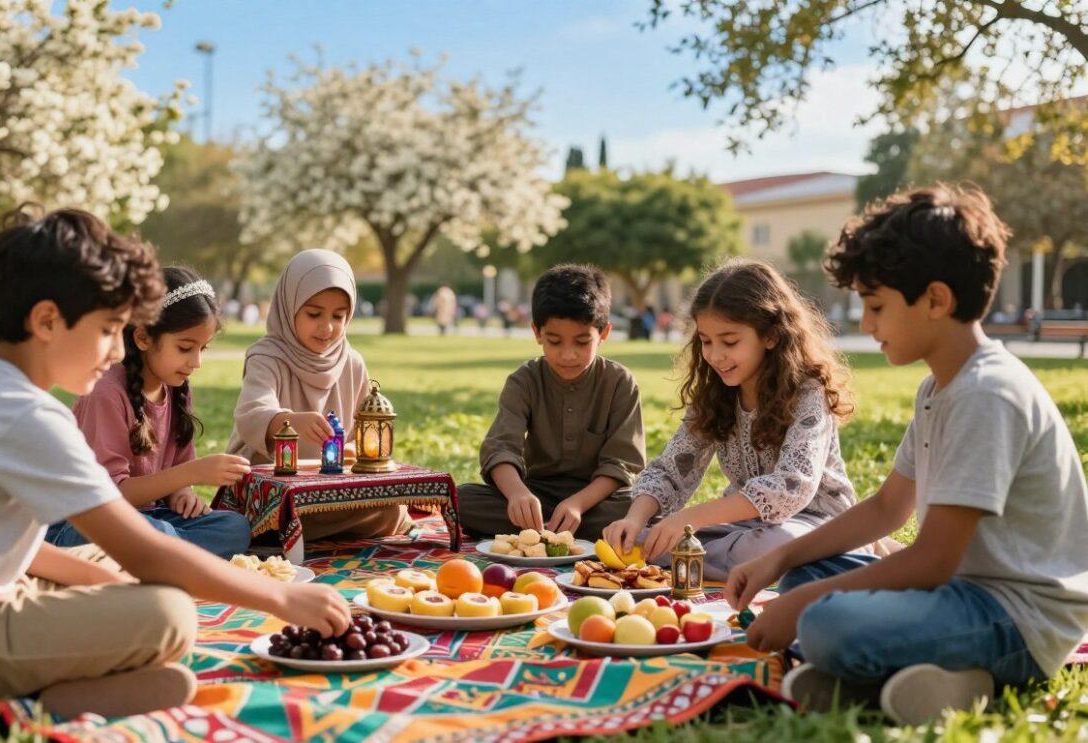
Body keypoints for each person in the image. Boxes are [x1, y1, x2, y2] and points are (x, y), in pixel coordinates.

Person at [0, 206, 350, 720]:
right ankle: (18, 699)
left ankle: (50, 696)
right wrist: (281, 600)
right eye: (108, 329)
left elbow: (25, 547)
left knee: (134, 577)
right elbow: (145, 552)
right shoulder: (24, 414)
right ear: (47, 321)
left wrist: (117, 586)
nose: (114, 350)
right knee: (168, 613)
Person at [725, 185, 1088, 725]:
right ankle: (905, 680)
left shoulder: (986, 393)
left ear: (936, 300)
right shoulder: (938, 388)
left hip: (1018, 619)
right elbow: (887, 509)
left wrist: (805, 608)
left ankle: (973, 681)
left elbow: (933, 559)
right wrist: (780, 560)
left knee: (825, 621)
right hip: (965, 595)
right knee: (807, 575)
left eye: (877, 306)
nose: (867, 325)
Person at [603, 258, 857, 579]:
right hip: (745, 529)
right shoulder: (715, 393)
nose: (715, 355)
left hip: (815, 524)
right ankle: (716, 559)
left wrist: (688, 519)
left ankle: (852, 550)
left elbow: (792, 486)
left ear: (771, 335)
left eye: (730, 341)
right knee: (642, 539)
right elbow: (670, 470)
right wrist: (635, 520)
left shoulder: (808, 391)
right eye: (706, 341)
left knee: (771, 545)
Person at [44, 266, 253, 558]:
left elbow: (176, 474)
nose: (196, 362)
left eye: (202, 349)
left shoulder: (177, 388)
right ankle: (173, 555)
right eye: (185, 348)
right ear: (143, 338)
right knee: (157, 534)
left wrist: (182, 493)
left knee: (235, 527)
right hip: (82, 524)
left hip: (150, 519)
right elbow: (110, 496)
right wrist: (192, 473)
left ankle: (166, 555)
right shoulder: (106, 392)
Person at [226, 249, 411, 541]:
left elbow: (362, 436)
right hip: (272, 485)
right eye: (314, 314)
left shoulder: (352, 362)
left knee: (389, 510)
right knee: (273, 515)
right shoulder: (267, 356)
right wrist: (289, 422)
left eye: (339, 316)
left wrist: (356, 454)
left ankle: (296, 533)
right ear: (289, 307)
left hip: (326, 486)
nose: (327, 327)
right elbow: (251, 416)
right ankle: (288, 528)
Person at [457, 264, 644, 541]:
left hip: (597, 501)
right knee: (461, 499)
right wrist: (518, 495)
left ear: (603, 334)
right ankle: (549, 526)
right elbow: (500, 449)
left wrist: (578, 504)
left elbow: (622, 464)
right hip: (537, 493)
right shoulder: (524, 380)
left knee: (641, 509)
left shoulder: (620, 382)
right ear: (537, 333)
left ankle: (540, 530)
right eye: (555, 342)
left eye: (582, 342)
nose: (568, 355)